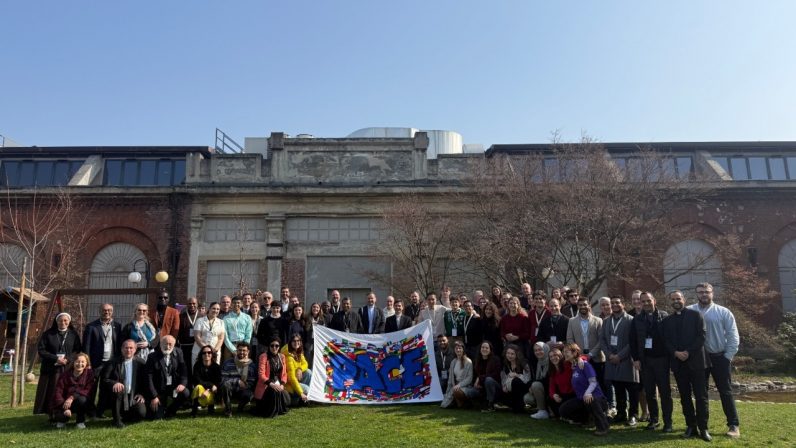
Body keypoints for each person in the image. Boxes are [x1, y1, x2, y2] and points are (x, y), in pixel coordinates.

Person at [689, 282, 741, 439]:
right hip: (698, 359)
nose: (704, 294)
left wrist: (727, 357)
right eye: (700, 292)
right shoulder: (690, 311)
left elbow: (733, 336)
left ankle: (733, 425)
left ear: (712, 293)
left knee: (725, 392)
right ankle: (701, 425)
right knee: (700, 393)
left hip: (719, 357)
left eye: (707, 292)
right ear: (696, 294)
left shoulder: (723, 312)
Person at [663, 290, 711, 442]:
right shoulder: (667, 321)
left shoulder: (696, 315)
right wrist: (675, 352)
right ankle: (691, 425)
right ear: (670, 302)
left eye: (678, 298)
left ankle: (703, 428)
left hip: (697, 362)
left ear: (683, 299)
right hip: (678, 364)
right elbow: (665, 341)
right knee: (685, 397)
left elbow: (701, 336)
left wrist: (688, 352)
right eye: (673, 299)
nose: (676, 301)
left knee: (701, 397)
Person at [630, 291, 672, 432]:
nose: (646, 303)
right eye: (643, 301)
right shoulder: (636, 319)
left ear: (654, 300)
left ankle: (668, 422)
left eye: (648, 300)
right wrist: (635, 359)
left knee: (665, 392)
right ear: (640, 303)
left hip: (662, 360)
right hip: (645, 361)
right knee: (649, 393)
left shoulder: (664, 316)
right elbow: (633, 341)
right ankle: (654, 420)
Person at [35, 313, 83, 419]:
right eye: (60, 320)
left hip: (67, 367)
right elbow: (41, 350)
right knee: (52, 391)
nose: (63, 322)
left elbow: (77, 349)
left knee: (66, 390)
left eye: (65, 320)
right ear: (56, 321)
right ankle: (51, 413)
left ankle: (66, 411)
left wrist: (68, 359)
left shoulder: (73, 334)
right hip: (51, 368)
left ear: (69, 322)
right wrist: (56, 358)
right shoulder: (48, 334)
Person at [600, 296, 639, 426]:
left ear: (623, 304)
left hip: (627, 360)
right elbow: (602, 340)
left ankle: (633, 415)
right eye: (613, 303)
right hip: (611, 360)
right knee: (618, 388)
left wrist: (620, 356)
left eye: (617, 303)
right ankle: (621, 413)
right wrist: (609, 355)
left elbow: (632, 342)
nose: (615, 305)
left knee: (632, 390)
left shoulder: (631, 320)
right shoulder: (606, 321)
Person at [559, 343, 611, 436]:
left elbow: (593, 382)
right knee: (563, 410)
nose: (564, 354)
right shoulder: (573, 366)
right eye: (563, 352)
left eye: (567, 351)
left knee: (591, 399)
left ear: (575, 353)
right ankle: (587, 419)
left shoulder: (585, 365)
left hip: (596, 398)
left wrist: (587, 393)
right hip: (582, 399)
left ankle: (603, 427)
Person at [83, 303, 122, 419]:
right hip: (96, 363)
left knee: (105, 389)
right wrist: (88, 363)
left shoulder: (117, 326)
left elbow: (119, 345)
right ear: (99, 311)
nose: (107, 312)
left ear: (112, 312)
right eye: (104, 310)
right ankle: (90, 411)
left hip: (111, 363)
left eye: (109, 310)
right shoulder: (91, 327)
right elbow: (86, 347)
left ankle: (100, 411)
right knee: (92, 388)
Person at [103, 339, 147, 428]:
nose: (128, 350)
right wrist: (114, 383)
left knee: (141, 413)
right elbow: (105, 379)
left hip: (134, 395)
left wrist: (142, 394)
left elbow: (145, 381)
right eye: (126, 348)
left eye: (131, 348)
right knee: (119, 389)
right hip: (118, 395)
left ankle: (125, 416)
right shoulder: (113, 362)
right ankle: (117, 421)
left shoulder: (141, 363)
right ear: (121, 349)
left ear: (135, 350)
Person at [566, 297, 605, 395]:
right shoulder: (572, 321)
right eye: (580, 305)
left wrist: (591, 354)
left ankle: (603, 405)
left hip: (596, 357)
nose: (583, 307)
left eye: (585, 304)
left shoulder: (598, 320)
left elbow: (601, 340)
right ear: (577, 306)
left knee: (600, 382)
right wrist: (578, 355)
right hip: (579, 358)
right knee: (583, 382)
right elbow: (570, 339)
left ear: (589, 306)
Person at [145, 335, 190, 419]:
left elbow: (184, 371)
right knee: (158, 417)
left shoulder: (178, 352)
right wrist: (154, 396)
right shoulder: (152, 356)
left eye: (170, 344)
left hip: (173, 387)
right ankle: (162, 408)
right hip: (159, 390)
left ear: (174, 345)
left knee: (185, 392)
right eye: (165, 343)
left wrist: (182, 384)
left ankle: (171, 411)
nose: (168, 346)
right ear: (161, 344)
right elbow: (149, 378)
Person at [52, 352, 94, 429]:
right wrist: (64, 407)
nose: (79, 364)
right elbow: (58, 391)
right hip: (64, 403)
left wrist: (72, 397)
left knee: (82, 400)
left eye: (82, 362)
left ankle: (80, 421)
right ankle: (62, 419)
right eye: (77, 361)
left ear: (86, 364)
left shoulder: (89, 374)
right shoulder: (65, 375)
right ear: (73, 362)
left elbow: (87, 390)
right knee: (61, 421)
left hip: (78, 401)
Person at [254, 337, 290, 418]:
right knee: (274, 391)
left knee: (287, 398)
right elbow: (261, 375)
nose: (274, 348)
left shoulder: (282, 357)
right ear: (269, 346)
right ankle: (271, 411)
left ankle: (279, 409)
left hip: (278, 382)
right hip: (266, 385)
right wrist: (271, 384)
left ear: (279, 347)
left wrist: (282, 384)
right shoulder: (263, 356)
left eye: (276, 346)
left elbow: (284, 374)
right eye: (272, 345)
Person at [220, 342, 257, 417]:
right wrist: (237, 381)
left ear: (248, 352)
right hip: (231, 389)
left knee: (249, 394)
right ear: (236, 351)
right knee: (225, 385)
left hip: (244, 389)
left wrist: (246, 385)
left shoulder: (252, 365)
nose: (242, 352)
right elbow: (223, 379)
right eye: (240, 350)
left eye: (244, 350)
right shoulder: (227, 363)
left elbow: (253, 381)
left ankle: (241, 406)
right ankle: (228, 410)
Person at [440, 341, 474, 408]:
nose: (458, 350)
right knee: (443, 405)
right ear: (454, 350)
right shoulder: (453, 362)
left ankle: (464, 403)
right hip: (455, 386)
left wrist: (459, 385)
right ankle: (457, 403)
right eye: (456, 348)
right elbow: (450, 380)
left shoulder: (468, 362)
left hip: (465, 386)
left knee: (456, 391)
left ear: (463, 349)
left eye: (460, 348)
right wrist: (447, 392)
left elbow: (469, 378)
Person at [190, 345, 221, 417]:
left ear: (212, 354)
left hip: (213, 391)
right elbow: (197, 380)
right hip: (201, 390)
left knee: (215, 388)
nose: (207, 354)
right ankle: (194, 411)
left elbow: (218, 381)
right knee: (198, 387)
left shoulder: (216, 367)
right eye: (204, 353)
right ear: (201, 355)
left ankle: (211, 408)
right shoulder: (197, 366)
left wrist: (209, 389)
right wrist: (210, 386)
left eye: (209, 352)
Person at [499, 344, 531, 413]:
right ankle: (513, 405)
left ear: (517, 354)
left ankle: (518, 408)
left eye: (512, 354)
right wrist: (504, 385)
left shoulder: (524, 364)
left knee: (516, 381)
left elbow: (527, 379)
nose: (509, 356)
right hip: (509, 387)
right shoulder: (505, 364)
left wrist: (517, 375)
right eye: (508, 353)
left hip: (523, 387)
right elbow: (503, 378)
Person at [472, 341, 502, 412]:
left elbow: (496, 375)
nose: (484, 349)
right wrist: (476, 383)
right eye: (482, 347)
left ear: (490, 350)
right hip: (481, 387)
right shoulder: (477, 360)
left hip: (494, 387)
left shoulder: (496, 359)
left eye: (486, 348)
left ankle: (490, 404)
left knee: (488, 380)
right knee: (470, 392)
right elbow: (474, 375)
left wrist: (480, 378)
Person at [282, 335, 312, 406]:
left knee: (308, 372)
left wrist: (299, 369)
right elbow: (291, 378)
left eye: (298, 341)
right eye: (294, 341)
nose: (296, 343)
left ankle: (305, 398)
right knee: (307, 390)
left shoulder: (298, 352)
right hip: (289, 384)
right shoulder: (289, 357)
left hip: (297, 379)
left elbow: (305, 363)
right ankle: (299, 399)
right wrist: (301, 392)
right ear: (290, 342)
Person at [223, 296, 254, 362]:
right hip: (229, 346)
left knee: (244, 368)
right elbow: (225, 336)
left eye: (238, 303)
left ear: (242, 304)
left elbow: (248, 334)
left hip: (243, 346)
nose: (236, 304)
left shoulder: (247, 317)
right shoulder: (226, 318)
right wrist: (233, 349)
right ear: (231, 304)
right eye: (234, 303)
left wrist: (244, 347)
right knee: (228, 366)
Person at [547, 347, 574, 419]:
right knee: (550, 398)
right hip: (563, 395)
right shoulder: (553, 371)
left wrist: (581, 360)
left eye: (555, 355)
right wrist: (554, 395)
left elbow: (582, 357)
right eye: (551, 356)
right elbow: (551, 388)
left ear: (560, 356)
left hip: (572, 395)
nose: (553, 358)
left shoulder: (567, 365)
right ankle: (562, 416)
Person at [499, 297, 529, 362]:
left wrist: (517, 337)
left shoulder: (523, 318)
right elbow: (502, 332)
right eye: (510, 303)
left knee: (519, 362)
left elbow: (527, 333)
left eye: (514, 303)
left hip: (520, 344)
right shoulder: (504, 318)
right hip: (508, 343)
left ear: (518, 305)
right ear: (508, 305)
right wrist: (506, 336)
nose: (512, 305)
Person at [178, 297, 201, 381]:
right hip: (185, 346)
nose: (192, 305)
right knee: (186, 365)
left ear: (197, 304)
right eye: (190, 303)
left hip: (197, 345)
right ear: (187, 305)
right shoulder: (181, 316)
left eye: (194, 303)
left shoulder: (202, 316)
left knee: (196, 365)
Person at [528, 341, 551, 419]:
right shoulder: (538, 362)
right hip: (543, 389)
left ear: (546, 349)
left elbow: (548, 380)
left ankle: (543, 411)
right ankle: (543, 409)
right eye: (536, 350)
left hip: (551, 390)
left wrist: (534, 384)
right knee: (527, 398)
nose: (538, 352)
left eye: (540, 349)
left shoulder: (551, 360)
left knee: (536, 385)